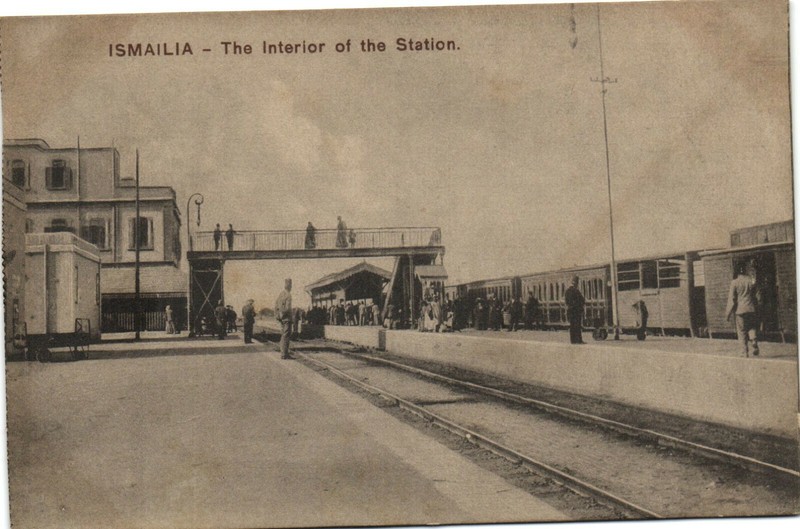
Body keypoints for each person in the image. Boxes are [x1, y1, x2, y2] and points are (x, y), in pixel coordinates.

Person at [726, 262, 761, 357]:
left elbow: (731, 299)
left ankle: (744, 352)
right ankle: (753, 339)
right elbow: (758, 295)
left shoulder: (734, 282)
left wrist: (728, 313)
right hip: (751, 308)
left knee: (741, 331)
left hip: (740, 310)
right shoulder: (751, 281)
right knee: (751, 326)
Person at [275, 278, 293, 359]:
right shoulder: (288, 295)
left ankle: (283, 352)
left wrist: (278, 315)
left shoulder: (281, 294)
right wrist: (283, 314)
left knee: (283, 335)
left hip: (281, 319)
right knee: (286, 335)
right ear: (290, 286)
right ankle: (284, 354)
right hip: (287, 318)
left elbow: (276, 306)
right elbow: (288, 308)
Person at [564, 276, 585, 344]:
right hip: (576, 311)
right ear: (576, 283)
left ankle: (572, 340)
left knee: (572, 326)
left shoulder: (567, 291)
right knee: (577, 325)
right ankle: (578, 340)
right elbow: (582, 300)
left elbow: (566, 301)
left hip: (570, 311)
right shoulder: (576, 291)